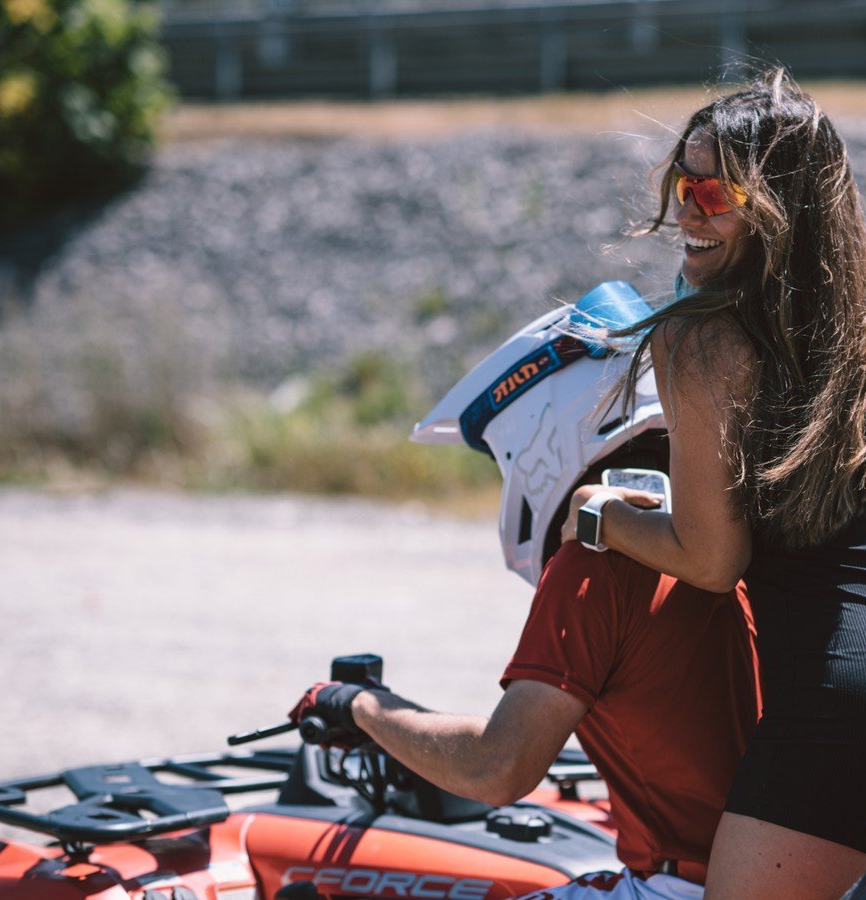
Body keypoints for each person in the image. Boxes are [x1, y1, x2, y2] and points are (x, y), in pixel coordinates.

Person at [557, 70, 866, 898]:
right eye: (681, 186)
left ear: (781, 205)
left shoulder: (703, 337)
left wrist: (597, 514)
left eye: (713, 193)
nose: (686, 214)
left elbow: (710, 559)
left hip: (849, 698)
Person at [289, 300, 763, 900]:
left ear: (542, 432)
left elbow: (497, 768)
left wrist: (361, 707)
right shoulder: (732, 540)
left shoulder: (599, 563)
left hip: (682, 887)